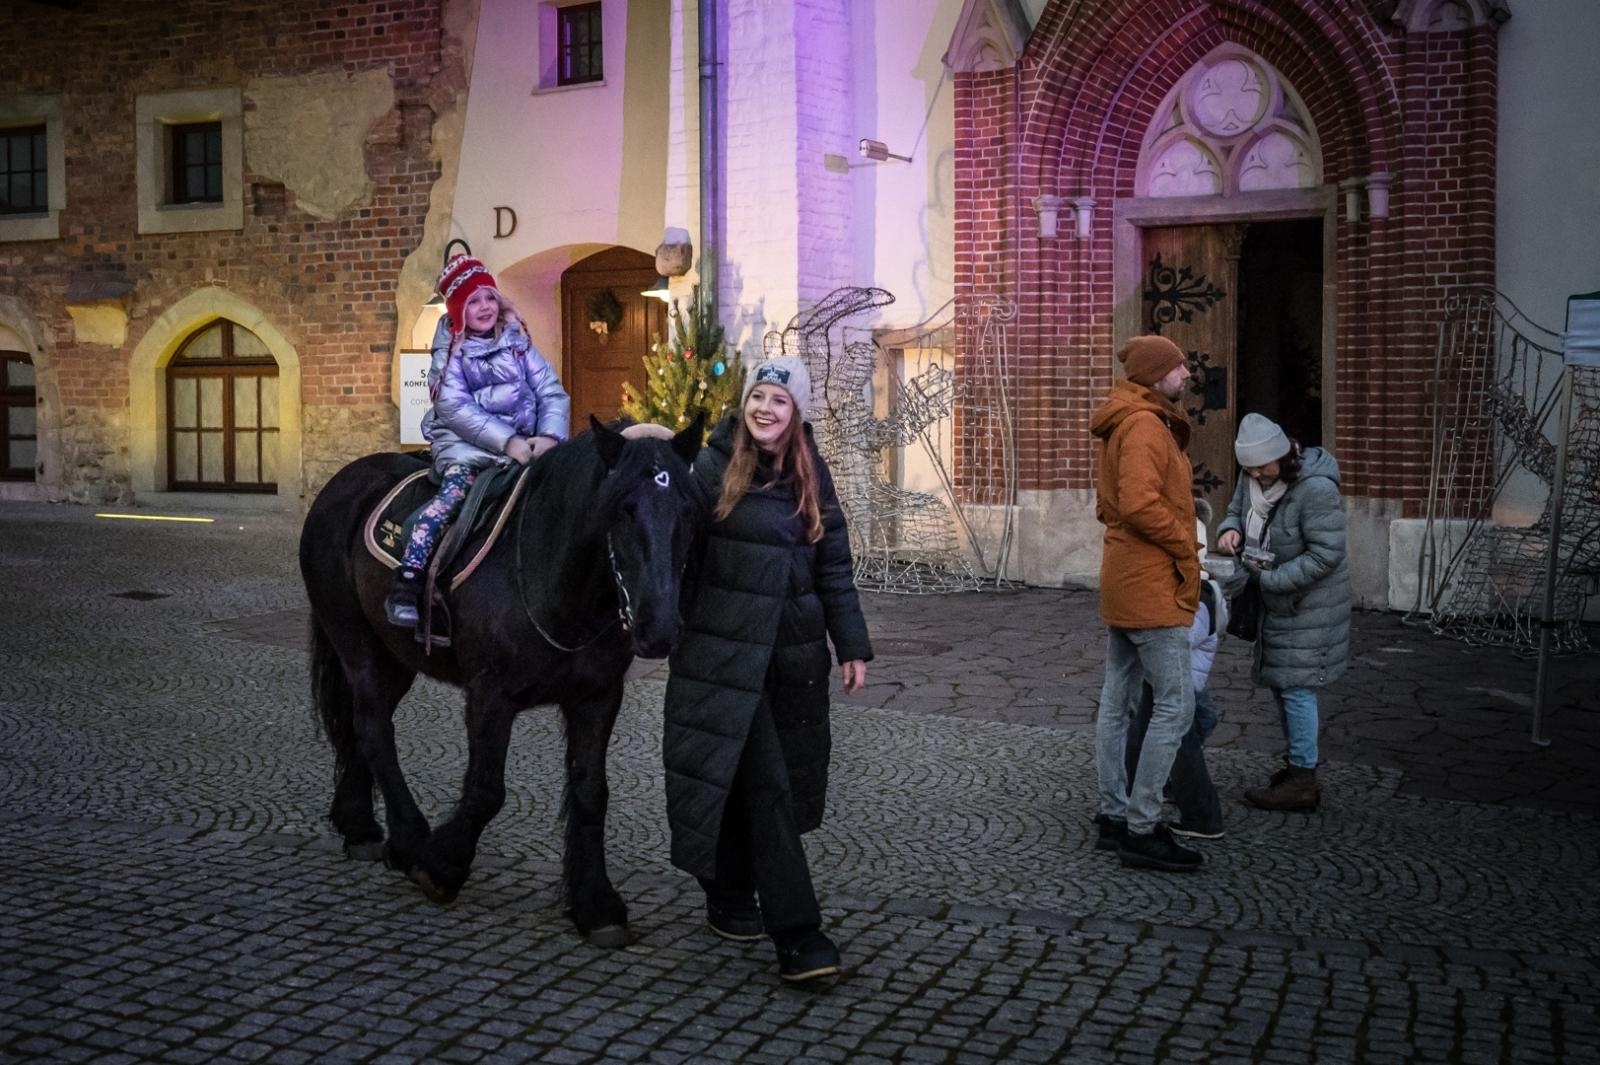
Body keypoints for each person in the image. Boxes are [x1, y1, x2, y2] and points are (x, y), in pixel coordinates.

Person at [661, 356, 873, 982]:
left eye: (779, 400)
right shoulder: (711, 467)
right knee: (769, 786)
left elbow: (833, 564)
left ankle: (728, 894)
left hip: (790, 657)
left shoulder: (811, 471)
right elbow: (671, 551)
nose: (766, 409)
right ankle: (799, 934)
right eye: (758, 396)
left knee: (739, 782)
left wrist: (851, 645)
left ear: (796, 411)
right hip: (723, 658)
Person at [384, 253, 571, 629]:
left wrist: (549, 436)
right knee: (451, 499)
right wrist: (508, 442)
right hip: (465, 447)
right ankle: (410, 578)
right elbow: (453, 406)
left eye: (489, 297)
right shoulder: (451, 352)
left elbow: (549, 389)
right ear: (458, 310)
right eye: (473, 301)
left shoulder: (517, 343)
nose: (485, 307)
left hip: (526, 445)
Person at [1088, 334, 1204, 873]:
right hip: (1151, 584)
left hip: (1126, 577)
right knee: (1175, 705)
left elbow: (1109, 505)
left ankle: (1114, 815)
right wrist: (1185, 542)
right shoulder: (1143, 425)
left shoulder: (1128, 420)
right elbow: (1137, 503)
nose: (1187, 374)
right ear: (1157, 375)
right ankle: (1142, 827)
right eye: (1178, 367)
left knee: (1118, 702)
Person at [1214, 413, 1351, 812]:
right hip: (1275, 602)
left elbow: (1326, 555)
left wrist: (1271, 580)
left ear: (1283, 456)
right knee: (1283, 683)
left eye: (1263, 467)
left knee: (1296, 687)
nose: (1257, 475)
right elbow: (1236, 511)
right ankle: (1296, 766)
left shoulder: (1316, 489)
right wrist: (1229, 530)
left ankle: (1302, 779)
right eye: (1249, 469)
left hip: (1307, 604)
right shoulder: (1251, 478)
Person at [1123, 498, 1229, 840]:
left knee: (1179, 738)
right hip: (1164, 669)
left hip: (1180, 675)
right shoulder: (1189, 587)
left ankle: (1202, 816)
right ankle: (1135, 795)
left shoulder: (1200, 594)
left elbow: (1183, 638)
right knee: (1143, 732)